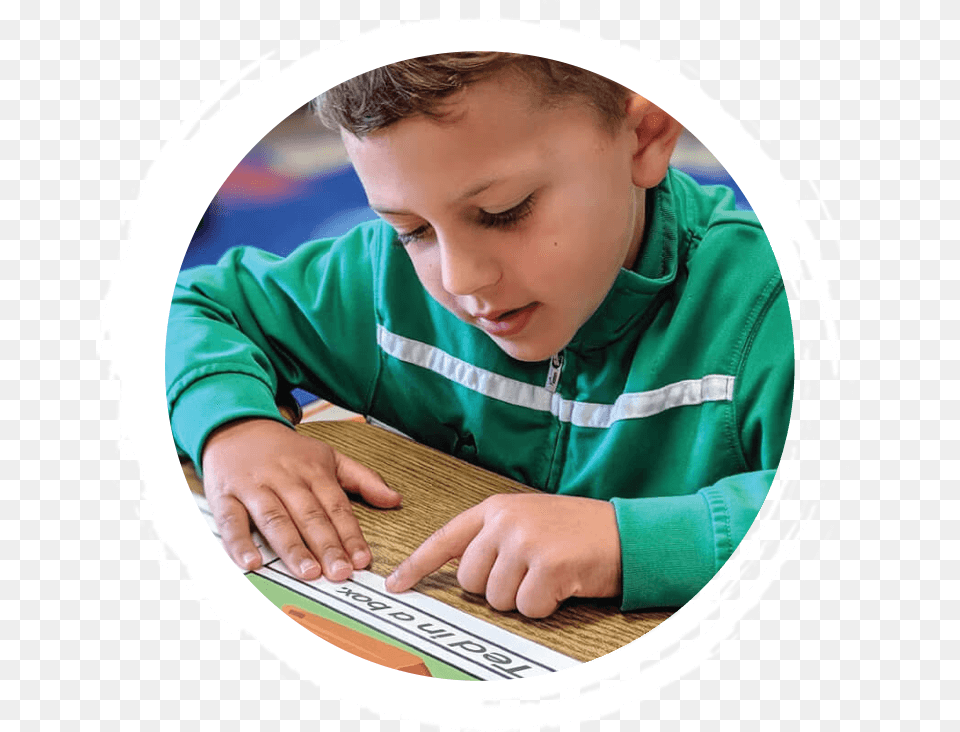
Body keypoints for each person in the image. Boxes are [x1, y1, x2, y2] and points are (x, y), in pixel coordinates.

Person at [166, 52, 794, 618]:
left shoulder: (770, 308)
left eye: (503, 212)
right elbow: (189, 307)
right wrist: (233, 428)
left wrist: (629, 544)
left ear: (644, 135)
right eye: (412, 229)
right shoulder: (384, 283)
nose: (462, 279)